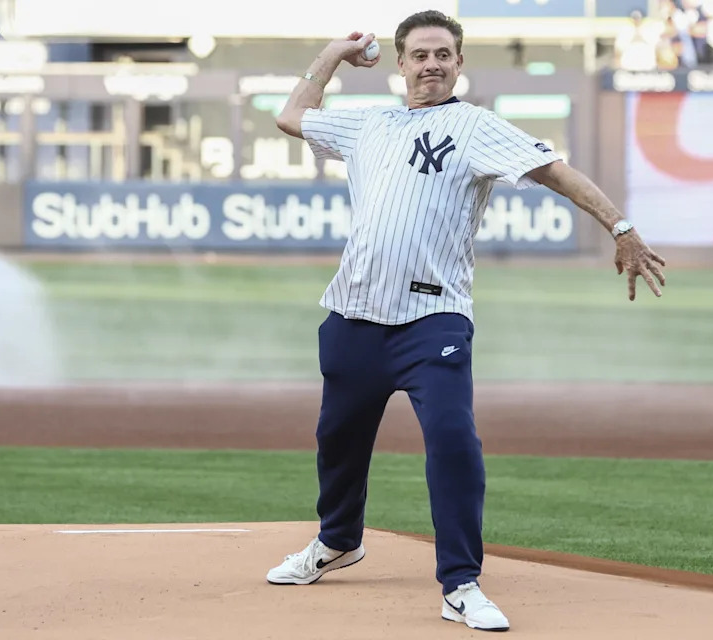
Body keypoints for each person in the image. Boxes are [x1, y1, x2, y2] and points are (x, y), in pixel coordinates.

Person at [264, 9, 666, 632]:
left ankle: (461, 582)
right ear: (400, 64)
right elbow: (291, 117)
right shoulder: (368, 125)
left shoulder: (474, 126)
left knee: (453, 441)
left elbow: (555, 171)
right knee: (337, 443)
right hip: (354, 313)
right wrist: (332, 53)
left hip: (434, 319)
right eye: (419, 54)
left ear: (458, 64)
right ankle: (337, 541)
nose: (431, 64)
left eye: (442, 54)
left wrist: (621, 227)